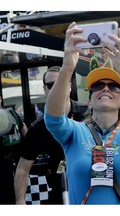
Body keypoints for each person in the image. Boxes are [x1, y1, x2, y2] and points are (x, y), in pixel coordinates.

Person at [44, 22, 120, 204]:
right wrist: (67, 67)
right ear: (89, 101)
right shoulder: (75, 131)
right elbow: (53, 118)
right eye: (97, 86)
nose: (105, 89)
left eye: (114, 87)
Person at [14, 66, 87, 205]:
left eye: (61, 82)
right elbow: (22, 168)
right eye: (51, 85)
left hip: (94, 188)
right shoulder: (38, 127)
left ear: (70, 87)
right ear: (45, 89)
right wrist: (20, 201)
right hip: (59, 191)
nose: (56, 88)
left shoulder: (89, 113)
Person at [0, 95, 28, 204]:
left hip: (17, 162)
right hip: (2, 165)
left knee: (19, 196)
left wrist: (29, 146)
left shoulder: (11, 112)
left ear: (1, 98)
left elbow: (23, 128)